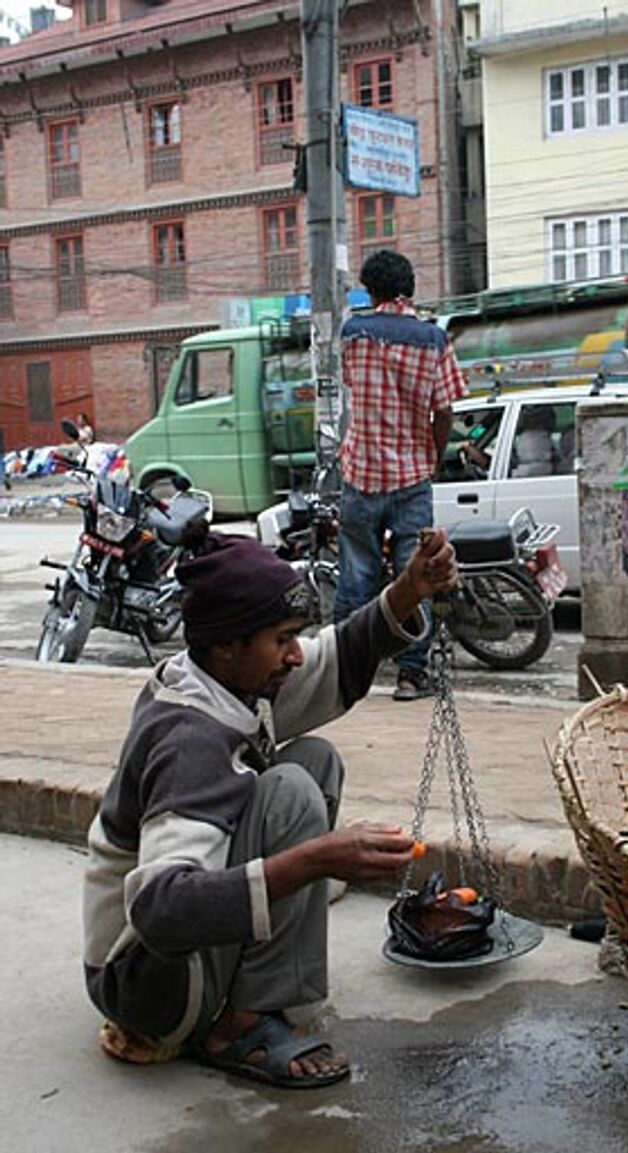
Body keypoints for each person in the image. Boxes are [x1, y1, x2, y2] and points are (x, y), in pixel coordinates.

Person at [82, 521, 458, 1089]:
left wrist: (409, 589)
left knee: (313, 760)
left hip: (170, 961)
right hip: (146, 984)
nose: (295, 657)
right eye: (282, 640)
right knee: (291, 795)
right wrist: (315, 861)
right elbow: (159, 908)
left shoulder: (226, 679)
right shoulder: (189, 740)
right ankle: (242, 1026)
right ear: (228, 644)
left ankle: (260, 987)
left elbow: (338, 656)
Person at [334, 249, 468, 702]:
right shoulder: (434, 339)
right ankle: (411, 675)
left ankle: (342, 669)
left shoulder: (353, 333)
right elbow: (445, 410)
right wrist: (433, 454)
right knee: (418, 576)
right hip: (412, 477)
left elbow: (354, 391)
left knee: (356, 576)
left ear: (370, 290)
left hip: (360, 474)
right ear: (409, 289)